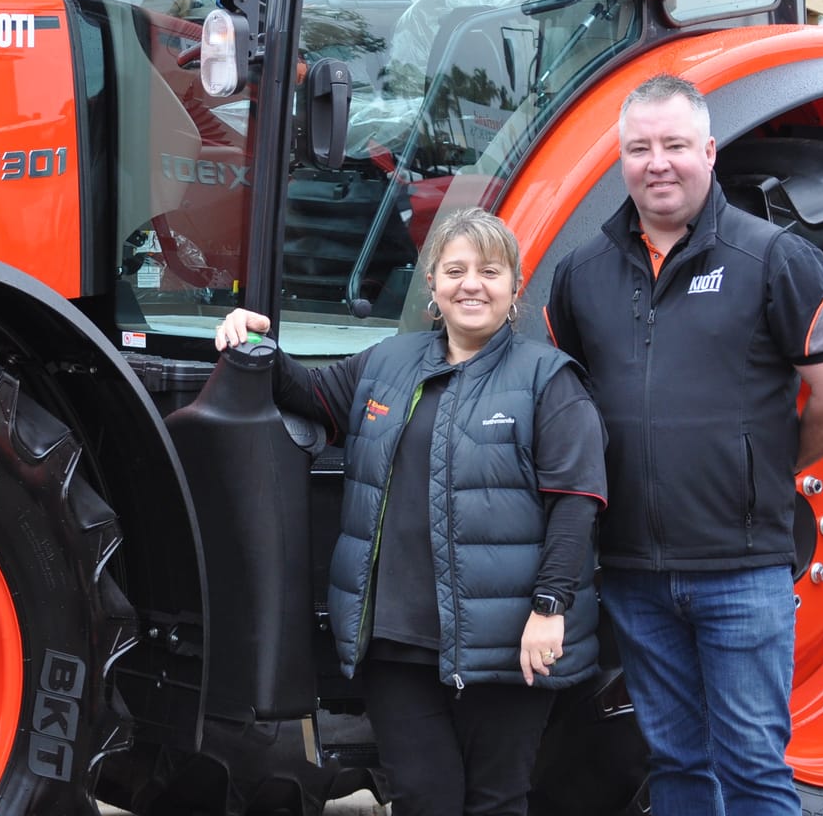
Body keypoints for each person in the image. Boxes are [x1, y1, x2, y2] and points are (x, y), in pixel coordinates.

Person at [544, 74, 823, 816]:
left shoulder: (775, 261)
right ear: (620, 160)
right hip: (633, 572)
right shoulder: (581, 276)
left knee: (753, 765)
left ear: (710, 151)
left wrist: (771, 467)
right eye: (639, 148)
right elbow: (566, 402)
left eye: (674, 145)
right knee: (676, 764)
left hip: (741, 573)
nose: (657, 163)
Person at [216, 208, 605, 816]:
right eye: (454, 270)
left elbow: (576, 502)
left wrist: (549, 609)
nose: (470, 284)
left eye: (489, 271)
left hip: (508, 645)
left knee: (497, 800)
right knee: (424, 798)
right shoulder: (385, 365)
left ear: (515, 288)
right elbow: (303, 390)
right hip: (396, 643)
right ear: (432, 285)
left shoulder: (548, 381)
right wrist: (255, 340)